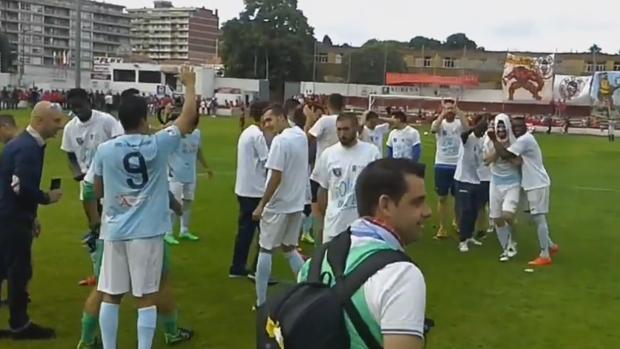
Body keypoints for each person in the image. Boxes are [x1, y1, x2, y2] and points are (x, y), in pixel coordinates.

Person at [91, 65, 197, 349]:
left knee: (111, 294)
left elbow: (96, 189)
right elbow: (187, 119)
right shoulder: (156, 144)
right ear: (144, 117)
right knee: (146, 296)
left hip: (114, 229)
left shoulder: (106, 149)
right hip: (147, 231)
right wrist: (190, 84)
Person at [298, 158, 431, 349]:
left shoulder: (317, 259)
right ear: (385, 205)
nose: (427, 211)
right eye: (417, 203)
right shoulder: (400, 276)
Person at [0, 102, 65, 339]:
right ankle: (20, 325)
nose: (61, 126)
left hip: (11, 215)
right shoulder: (27, 148)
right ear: (39, 121)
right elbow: (20, 187)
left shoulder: (26, 145)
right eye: (56, 121)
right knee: (18, 271)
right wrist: (46, 198)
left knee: (5, 268)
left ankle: (18, 322)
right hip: (13, 219)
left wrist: (33, 214)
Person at [62, 88, 124, 286]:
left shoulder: (106, 120)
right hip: (87, 187)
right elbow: (70, 154)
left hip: (111, 185)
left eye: (80, 106)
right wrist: (76, 172)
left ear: (89, 101)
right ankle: (99, 274)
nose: (78, 111)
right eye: (73, 108)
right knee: (95, 229)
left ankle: (119, 271)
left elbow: (119, 143)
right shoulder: (70, 128)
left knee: (114, 228)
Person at [252, 104, 308, 307]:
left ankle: (261, 301)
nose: (266, 125)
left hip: (278, 204)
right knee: (289, 248)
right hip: (296, 203)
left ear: (282, 118)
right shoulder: (299, 135)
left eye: (269, 120)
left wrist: (261, 205)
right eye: (264, 121)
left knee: (265, 250)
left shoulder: (280, 141)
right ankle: (309, 287)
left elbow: (275, 175)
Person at [488, 117, 559, 266]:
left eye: (520, 126)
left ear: (525, 126)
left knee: (539, 218)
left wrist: (494, 140)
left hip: (537, 183)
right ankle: (551, 246)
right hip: (531, 183)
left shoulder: (524, 140)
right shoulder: (523, 139)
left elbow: (506, 155)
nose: (517, 128)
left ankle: (545, 255)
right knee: (533, 218)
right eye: (514, 126)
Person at [311, 113, 381, 243]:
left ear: (356, 128)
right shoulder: (328, 154)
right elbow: (322, 189)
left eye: (346, 129)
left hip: (362, 228)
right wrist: (325, 217)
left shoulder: (371, 152)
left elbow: (378, 189)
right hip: (334, 226)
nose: (342, 134)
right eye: (339, 129)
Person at [229, 101, 270, 279]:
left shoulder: (247, 132)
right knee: (266, 233)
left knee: (245, 231)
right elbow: (267, 162)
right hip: (255, 190)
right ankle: (256, 270)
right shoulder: (258, 136)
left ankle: (237, 267)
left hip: (244, 188)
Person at [165, 116, 213, 245]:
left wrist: (206, 167)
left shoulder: (197, 134)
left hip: (190, 174)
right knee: (174, 204)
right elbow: (162, 150)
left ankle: (184, 230)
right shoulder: (173, 134)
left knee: (187, 202)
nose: (191, 130)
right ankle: (168, 233)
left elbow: (198, 151)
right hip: (175, 174)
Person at [484, 114, 521, 262]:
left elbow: (517, 162)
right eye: (498, 126)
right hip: (495, 182)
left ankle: (513, 238)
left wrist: (505, 151)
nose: (500, 130)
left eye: (502, 126)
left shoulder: (515, 141)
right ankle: (506, 247)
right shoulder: (488, 140)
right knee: (496, 218)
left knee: (507, 216)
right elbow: (486, 160)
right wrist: (498, 148)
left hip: (512, 183)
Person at [430, 99, 469, 239]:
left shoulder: (459, 124)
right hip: (441, 164)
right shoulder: (440, 123)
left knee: (458, 197)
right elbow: (433, 129)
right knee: (442, 198)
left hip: (457, 165)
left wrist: (458, 110)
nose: (449, 111)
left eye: (451, 109)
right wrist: (442, 114)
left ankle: (457, 222)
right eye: (447, 109)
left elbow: (467, 127)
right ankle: (442, 227)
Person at [454, 116, 488, 252]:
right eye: (481, 128)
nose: (482, 131)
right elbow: (463, 135)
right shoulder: (468, 138)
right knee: (466, 210)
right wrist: (475, 128)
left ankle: (469, 236)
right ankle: (462, 240)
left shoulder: (481, 140)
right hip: (463, 179)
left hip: (475, 179)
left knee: (474, 210)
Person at [0, 114, 18, 306]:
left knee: (15, 257)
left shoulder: (13, 149)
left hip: (10, 211)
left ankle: (18, 297)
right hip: (10, 210)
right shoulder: (16, 148)